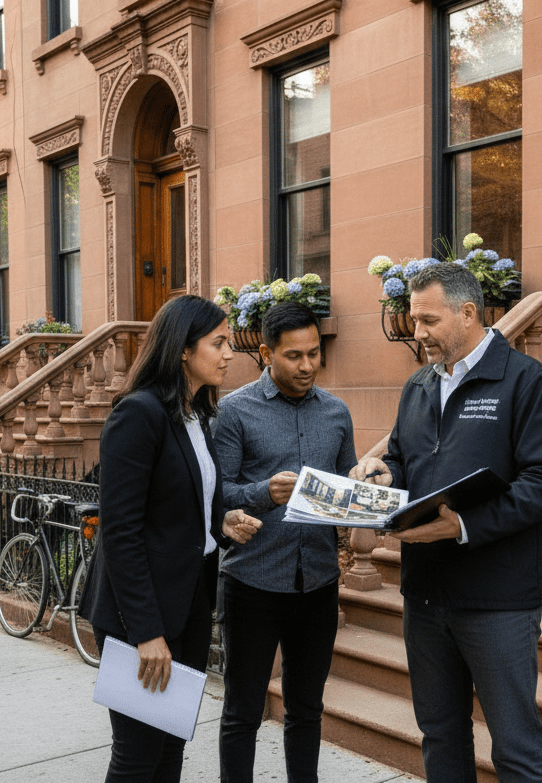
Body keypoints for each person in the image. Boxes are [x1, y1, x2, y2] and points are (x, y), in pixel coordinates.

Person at [350, 262, 542, 783]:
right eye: (414, 320)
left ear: (468, 312)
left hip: (498, 600)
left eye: (429, 321)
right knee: (441, 735)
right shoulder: (417, 387)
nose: (418, 333)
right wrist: (384, 474)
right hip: (425, 594)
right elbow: (406, 460)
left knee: (516, 749)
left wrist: (462, 525)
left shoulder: (528, 383)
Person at [81, 294, 262, 783]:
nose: (230, 353)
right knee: (138, 755)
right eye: (218, 342)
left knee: (170, 747)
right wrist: (146, 632)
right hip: (141, 616)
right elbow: (120, 530)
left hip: (189, 605)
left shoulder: (197, 414)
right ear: (183, 349)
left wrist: (222, 521)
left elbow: (189, 500)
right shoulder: (138, 414)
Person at [216, 300, 357, 783]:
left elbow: (344, 491)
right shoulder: (233, 411)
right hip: (252, 581)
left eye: (314, 354)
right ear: (265, 353)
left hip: (317, 582)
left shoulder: (337, 413)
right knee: (243, 711)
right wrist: (264, 493)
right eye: (294, 356)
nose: (307, 366)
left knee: (307, 709)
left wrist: (364, 503)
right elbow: (218, 494)